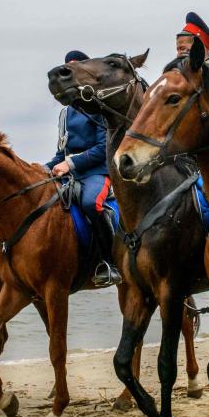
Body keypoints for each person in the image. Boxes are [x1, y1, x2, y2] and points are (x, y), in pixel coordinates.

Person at [47, 51, 122, 288]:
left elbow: (103, 148)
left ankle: (111, 264)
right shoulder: (64, 114)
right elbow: (61, 153)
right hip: (70, 174)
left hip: (97, 172)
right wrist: (40, 169)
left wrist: (70, 164)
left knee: (92, 203)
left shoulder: (96, 108)